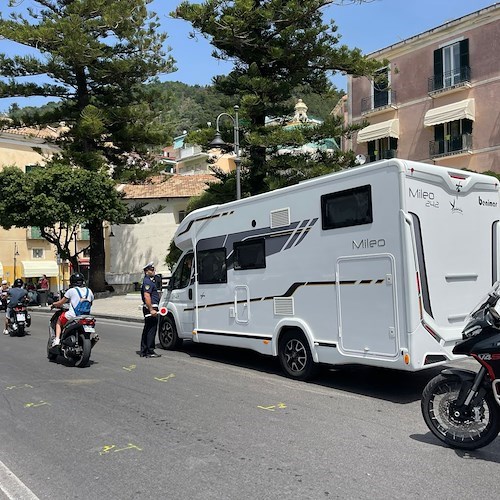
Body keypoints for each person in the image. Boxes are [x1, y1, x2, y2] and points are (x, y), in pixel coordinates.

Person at [50, 272, 94, 346]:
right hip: (86, 316)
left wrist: (54, 304)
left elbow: (61, 302)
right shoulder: (89, 291)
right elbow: (91, 303)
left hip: (73, 315)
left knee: (59, 321)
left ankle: (57, 340)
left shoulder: (71, 291)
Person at [140, 262, 161, 358]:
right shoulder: (147, 282)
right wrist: (151, 309)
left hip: (149, 307)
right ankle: (150, 351)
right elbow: (147, 296)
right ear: (146, 271)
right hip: (151, 308)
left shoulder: (148, 281)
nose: (154, 271)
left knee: (147, 329)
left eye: (154, 269)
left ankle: (144, 350)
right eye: (151, 270)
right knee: (151, 330)